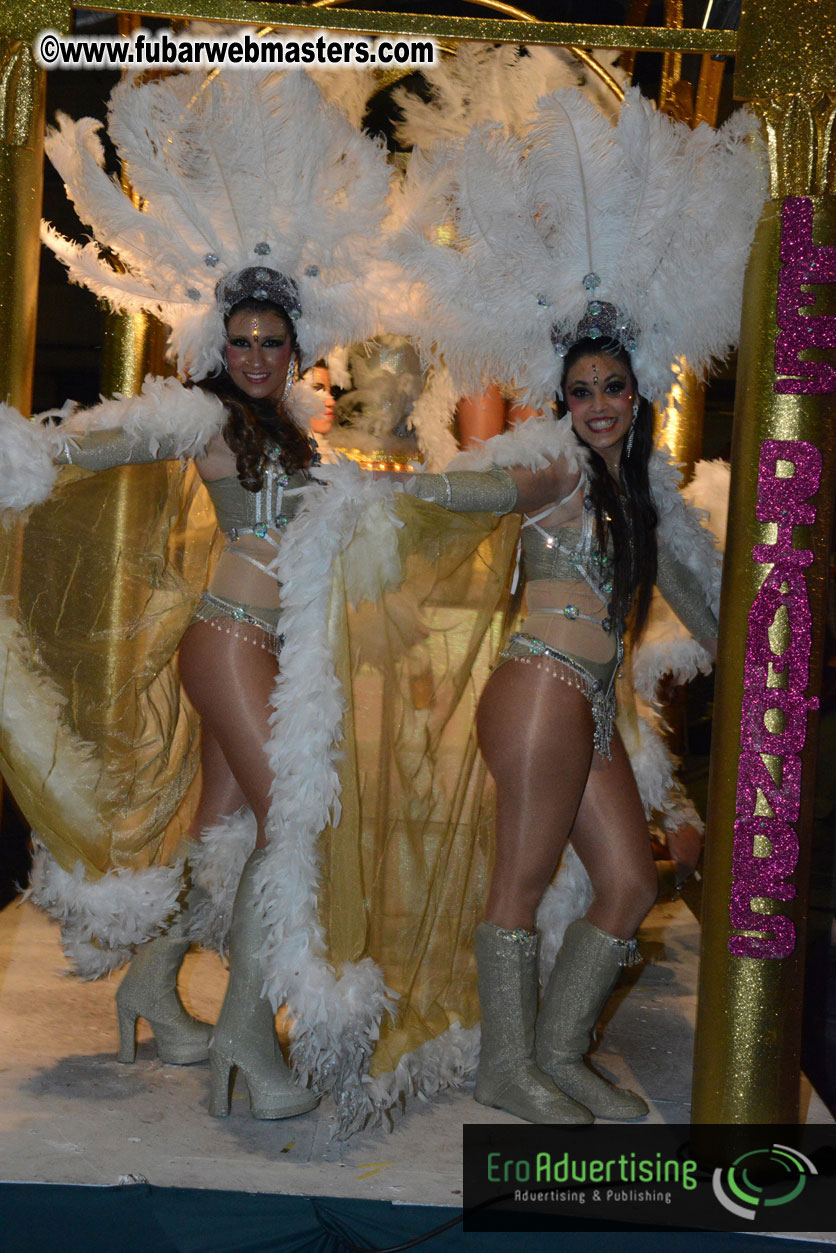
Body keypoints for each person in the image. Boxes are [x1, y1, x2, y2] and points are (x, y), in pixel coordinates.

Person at [0, 68, 392, 1122]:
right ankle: (244, 1037)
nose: (256, 355)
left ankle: (148, 985)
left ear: (296, 348)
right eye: (242, 341)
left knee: (219, 831)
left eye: (272, 342)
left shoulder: (292, 432)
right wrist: (29, 451)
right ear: (222, 345)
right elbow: (111, 436)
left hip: (268, 647)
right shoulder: (208, 418)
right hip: (227, 640)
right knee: (289, 827)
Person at [390, 84, 766, 1122]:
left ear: (636, 394)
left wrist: (775, 660)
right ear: (563, 399)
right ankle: (505, 1065)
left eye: (612, 387)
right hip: (538, 690)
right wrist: (409, 492)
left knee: (629, 885)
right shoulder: (553, 464)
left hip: (588, 702)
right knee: (517, 882)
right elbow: (488, 489)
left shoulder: (642, 496)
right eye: (582, 389)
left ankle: (556, 1051)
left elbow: (711, 605)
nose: (597, 404)